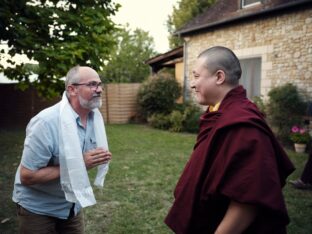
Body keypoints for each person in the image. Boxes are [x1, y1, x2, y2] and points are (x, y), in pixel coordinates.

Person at [164, 46, 295, 234]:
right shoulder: (219, 112)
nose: (192, 84)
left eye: (196, 76)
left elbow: (248, 198)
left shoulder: (243, 124)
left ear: (219, 77)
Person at [12, 65, 112, 234]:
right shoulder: (45, 123)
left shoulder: (95, 118)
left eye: (100, 84)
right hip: (38, 209)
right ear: (72, 90)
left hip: (72, 204)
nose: (99, 90)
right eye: (92, 84)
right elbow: (27, 176)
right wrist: (80, 163)